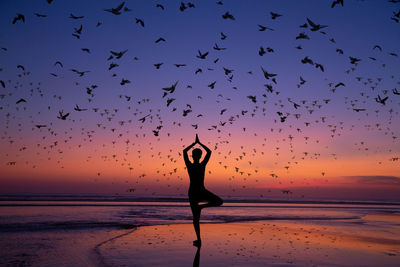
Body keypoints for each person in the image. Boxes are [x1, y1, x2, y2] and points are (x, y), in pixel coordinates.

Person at [183, 134, 223, 247]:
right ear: (199, 156)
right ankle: (198, 240)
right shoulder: (201, 165)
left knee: (196, 218)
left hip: (196, 191)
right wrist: (199, 143)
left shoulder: (190, 165)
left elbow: (184, 152)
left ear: (193, 156)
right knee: (197, 217)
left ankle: (199, 239)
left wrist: (194, 144)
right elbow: (209, 152)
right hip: (197, 191)